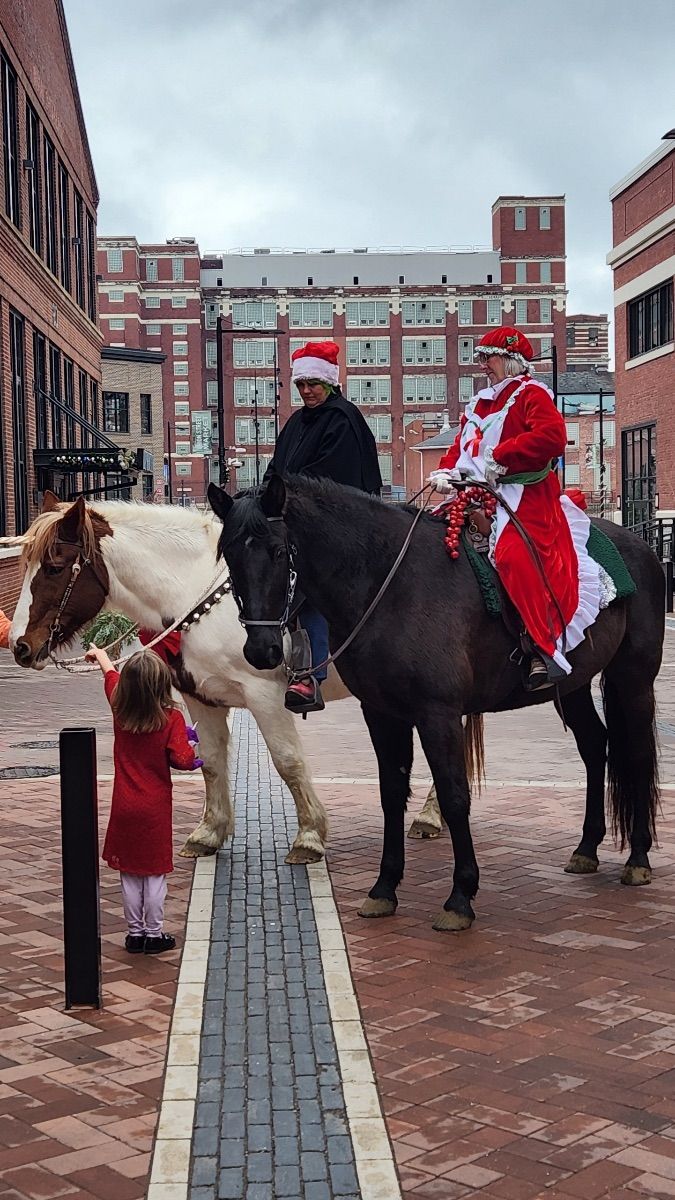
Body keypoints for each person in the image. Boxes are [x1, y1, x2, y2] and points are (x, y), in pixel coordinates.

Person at [428, 326, 603, 690]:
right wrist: (446, 470)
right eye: (480, 359)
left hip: (526, 495)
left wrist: (501, 456)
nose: (482, 366)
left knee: (512, 555)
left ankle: (542, 646)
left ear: (509, 360)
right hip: (475, 492)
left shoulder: (532, 394)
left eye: (487, 357)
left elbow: (552, 438)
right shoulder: (477, 403)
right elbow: (461, 445)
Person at [263, 340, 382, 714]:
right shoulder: (297, 422)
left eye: (314, 383)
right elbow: (277, 470)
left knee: (309, 588)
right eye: (301, 385)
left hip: (337, 528)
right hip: (299, 524)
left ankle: (310, 673)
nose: (307, 391)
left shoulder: (343, 419)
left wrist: (288, 495)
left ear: (330, 381)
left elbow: (331, 483)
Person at [85, 644, 202, 954]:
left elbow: (111, 676)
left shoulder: (119, 708)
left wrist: (100, 655)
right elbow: (182, 760)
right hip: (154, 809)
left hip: (124, 805)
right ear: (162, 683)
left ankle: (134, 934)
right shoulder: (171, 718)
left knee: (130, 874)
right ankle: (154, 933)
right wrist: (194, 748)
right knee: (154, 875)